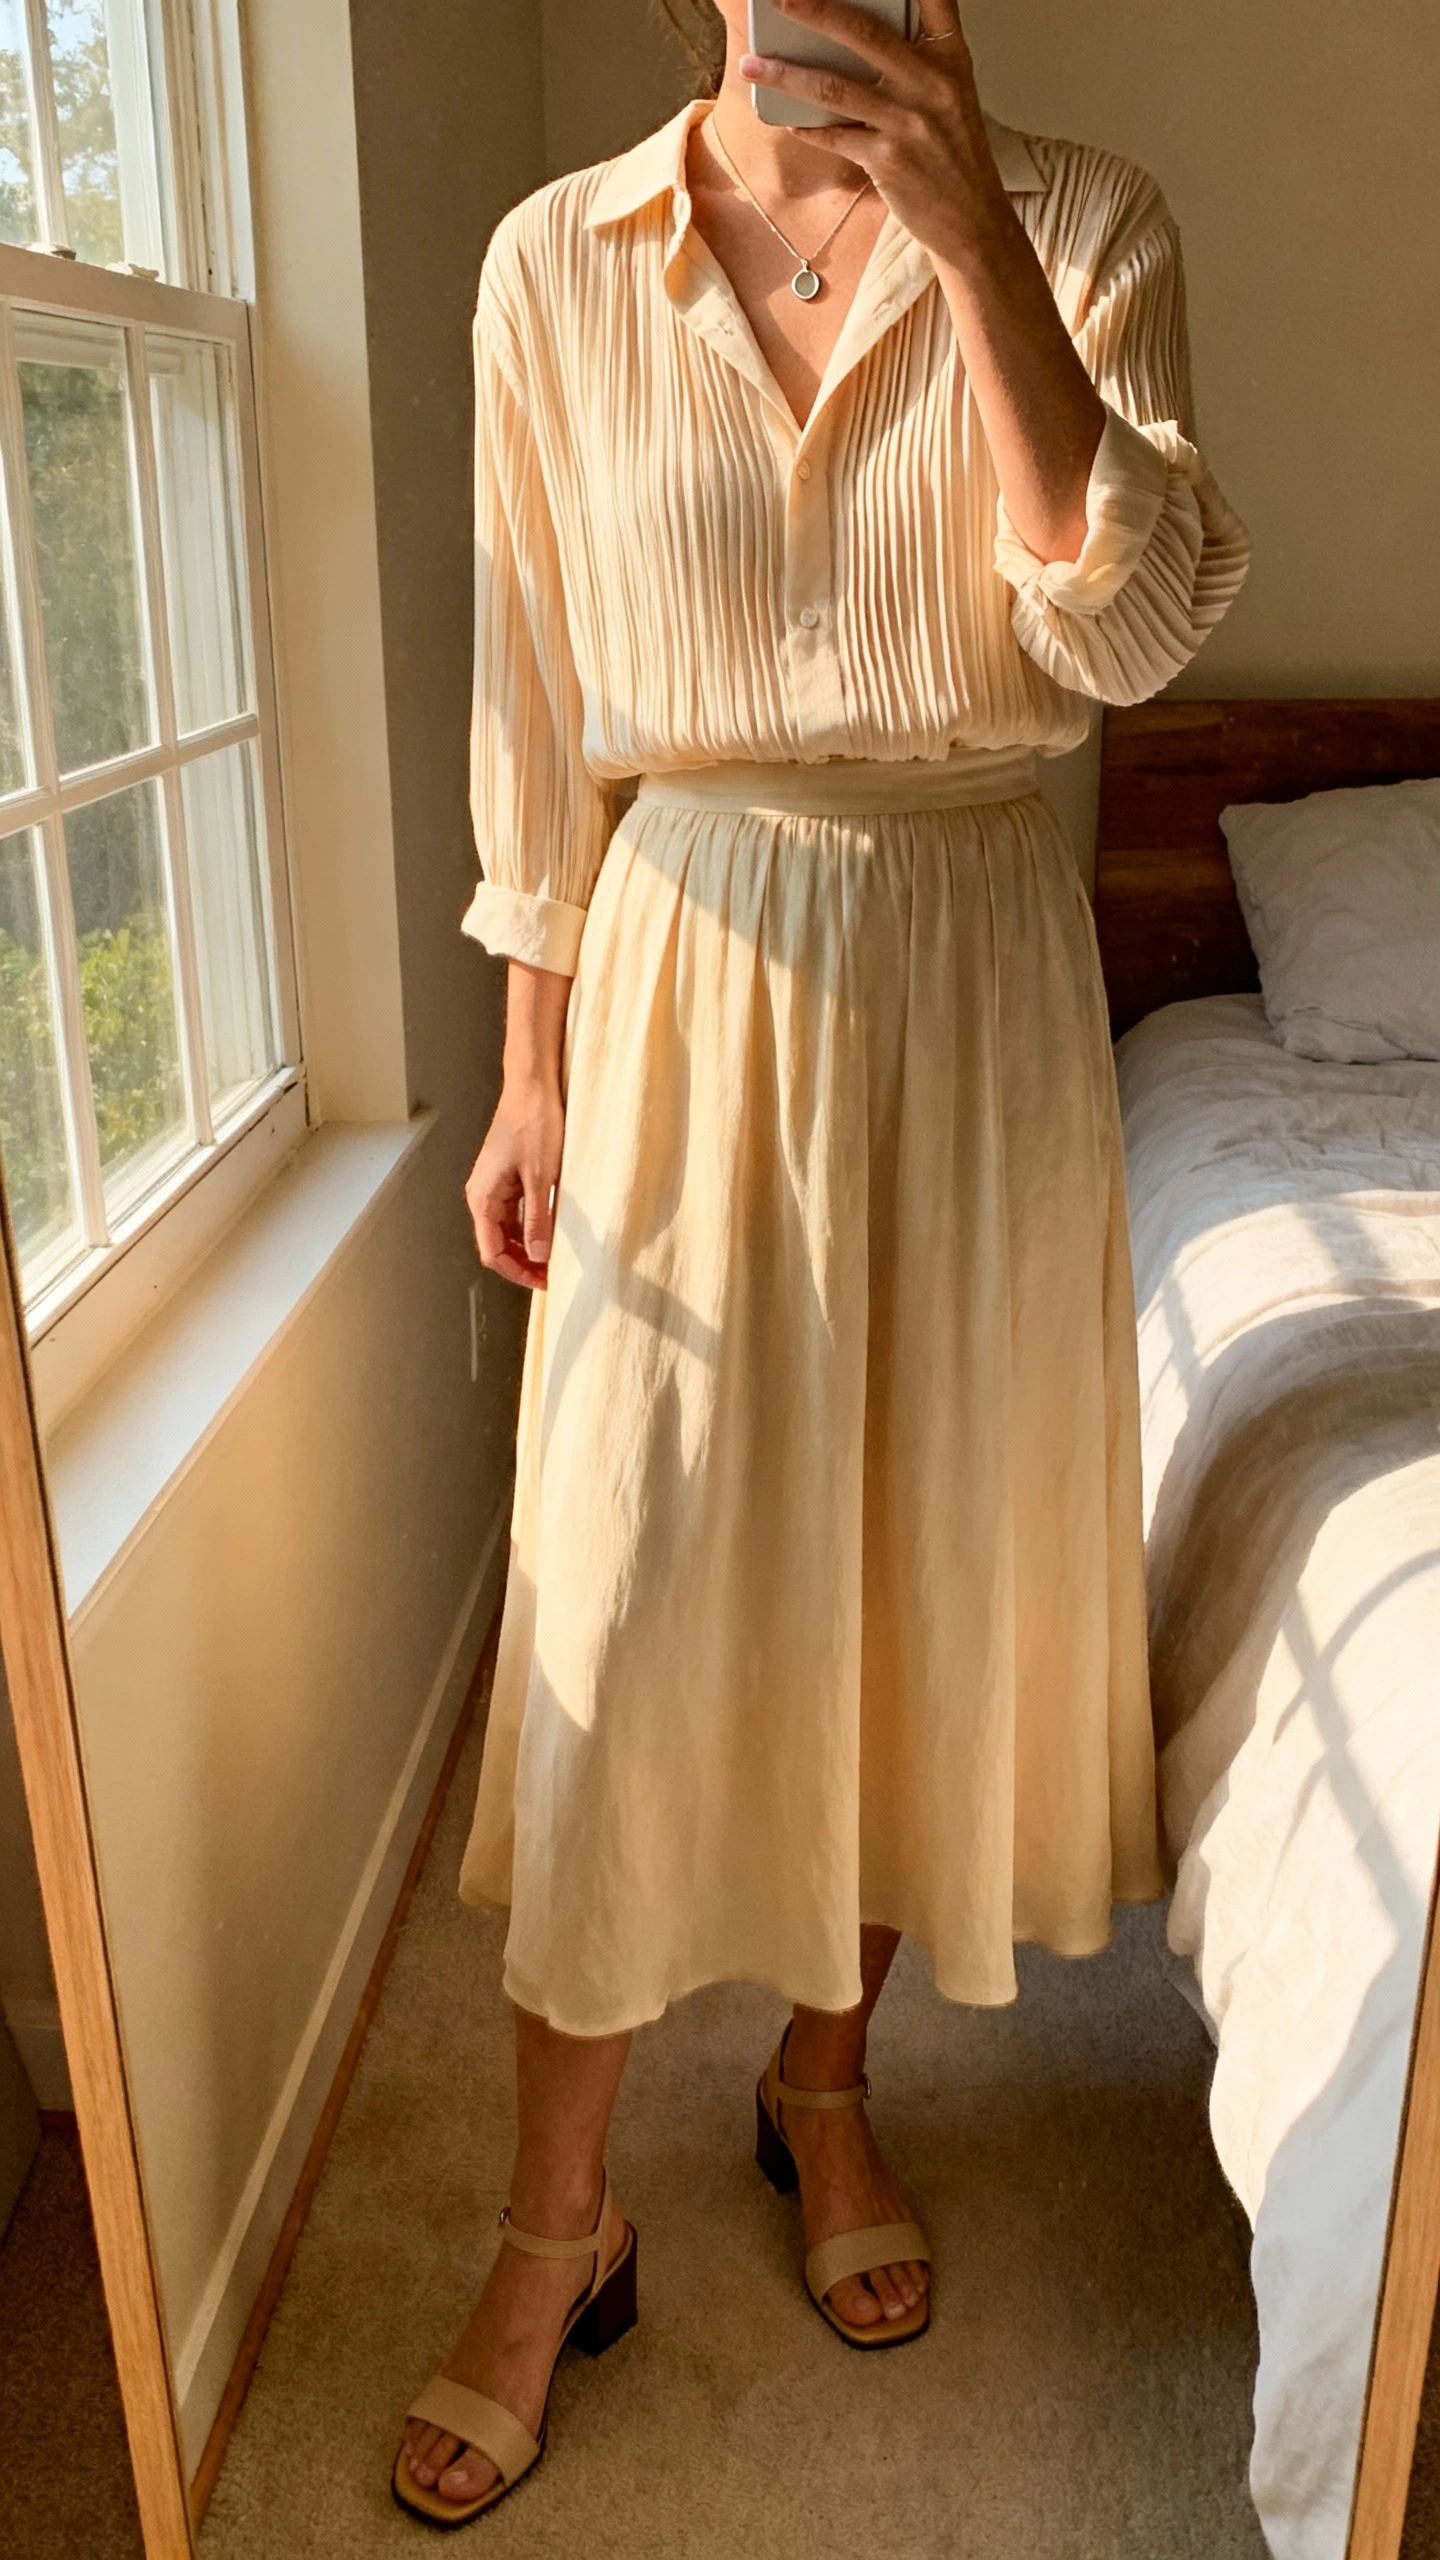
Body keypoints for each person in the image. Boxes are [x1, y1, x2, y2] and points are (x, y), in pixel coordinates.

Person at [395, 0, 1249, 2525]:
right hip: (681, 955)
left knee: (888, 1566)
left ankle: (823, 2079)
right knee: (630, 1598)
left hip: (981, 956)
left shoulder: (1085, 225)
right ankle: (557, 2215)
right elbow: (537, 700)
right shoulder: (555, 261)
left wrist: (975, 231)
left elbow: (1132, 628)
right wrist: (534, 1059)